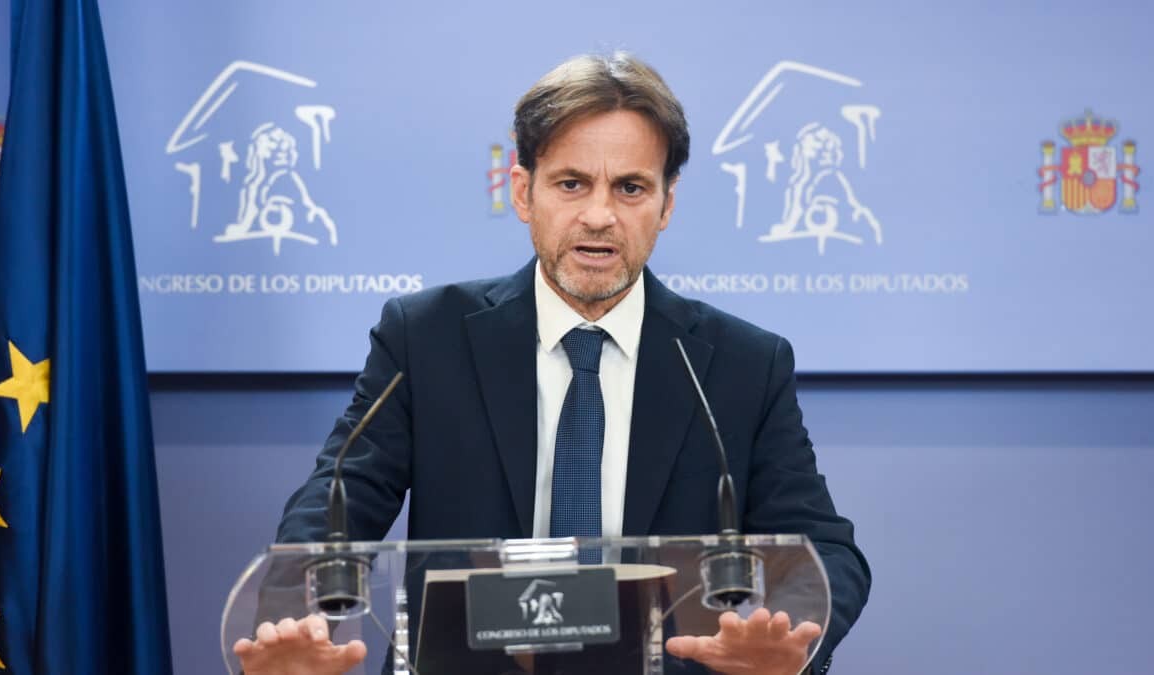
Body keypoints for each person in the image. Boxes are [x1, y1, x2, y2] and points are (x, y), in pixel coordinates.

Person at [233, 52, 870, 675]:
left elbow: (825, 549)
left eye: (630, 187)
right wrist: (299, 614)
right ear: (522, 192)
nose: (599, 215)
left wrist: (788, 639)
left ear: (666, 204)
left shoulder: (741, 364)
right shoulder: (426, 337)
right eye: (572, 183)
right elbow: (338, 502)